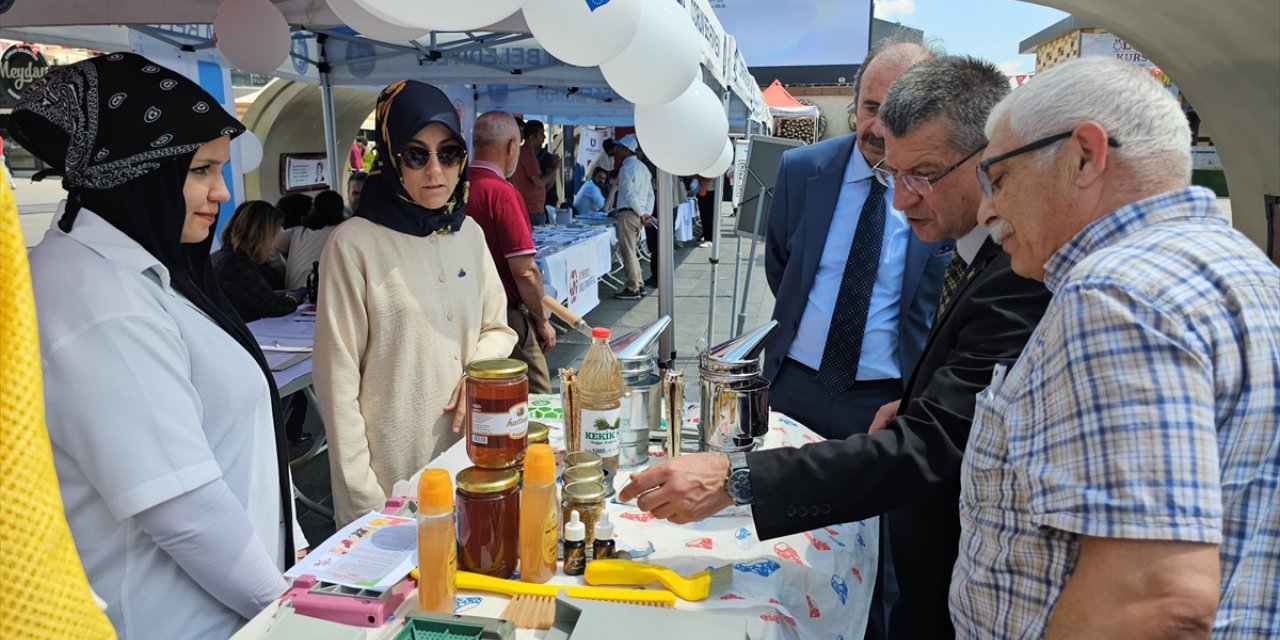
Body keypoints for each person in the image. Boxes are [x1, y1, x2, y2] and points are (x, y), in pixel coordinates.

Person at [620, 56, 1052, 640]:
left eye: (920, 175)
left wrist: (736, 477)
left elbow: (930, 447)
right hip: (806, 388)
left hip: (930, 502)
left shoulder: (1023, 264)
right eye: (893, 172)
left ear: (988, 156)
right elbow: (784, 267)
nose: (900, 200)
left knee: (887, 570)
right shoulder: (814, 174)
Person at [953, 57, 1280, 637]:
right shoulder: (1243, 269)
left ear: (1084, 155)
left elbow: (1155, 599)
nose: (987, 210)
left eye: (997, 178)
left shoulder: (1114, 292)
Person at [13, 52, 299, 639]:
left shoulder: (144, 271)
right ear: (135, 170)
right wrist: (293, 610)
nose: (222, 192)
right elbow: (182, 508)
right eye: (201, 170)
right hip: (181, 622)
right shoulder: (96, 299)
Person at [314, 80, 517, 527]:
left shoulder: (469, 234)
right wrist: (363, 500)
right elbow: (336, 380)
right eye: (415, 154)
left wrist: (477, 371)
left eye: (448, 153)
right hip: (392, 478)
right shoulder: (354, 245)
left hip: (469, 461)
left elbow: (498, 328)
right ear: (389, 156)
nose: (435, 171)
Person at [763, 40, 950, 440]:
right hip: (793, 386)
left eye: (901, 112)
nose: (880, 128)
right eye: (871, 108)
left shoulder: (947, 186)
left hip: (887, 400)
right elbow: (781, 266)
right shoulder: (800, 170)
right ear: (855, 103)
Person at [465, 110, 557, 393]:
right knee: (537, 394)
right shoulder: (501, 192)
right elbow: (524, 270)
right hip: (506, 314)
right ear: (510, 147)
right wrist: (541, 320)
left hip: (465, 311)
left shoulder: (454, 188)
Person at [212, 200, 303, 322]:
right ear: (263, 234)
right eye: (274, 234)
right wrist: (294, 298)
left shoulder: (222, 257)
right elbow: (272, 306)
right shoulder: (235, 263)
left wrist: (276, 294)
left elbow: (250, 296)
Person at [275, 189, 344, 290]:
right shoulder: (343, 232)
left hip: (293, 293)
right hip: (323, 295)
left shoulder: (297, 232)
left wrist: (279, 267)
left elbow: (268, 243)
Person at [612, 134, 652, 300]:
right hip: (638, 214)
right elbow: (651, 194)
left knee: (628, 252)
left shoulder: (626, 168)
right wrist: (645, 212)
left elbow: (629, 193)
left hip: (630, 213)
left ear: (625, 149)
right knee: (632, 251)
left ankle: (632, 287)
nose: (616, 150)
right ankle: (638, 284)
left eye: (619, 147)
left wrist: (642, 212)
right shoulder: (643, 168)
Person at [510, 119, 560, 226]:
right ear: (532, 138)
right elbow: (539, 182)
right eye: (541, 134)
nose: (544, 138)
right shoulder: (527, 155)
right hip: (531, 209)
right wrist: (555, 168)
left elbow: (542, 186)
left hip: (531, 207)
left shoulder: (524, 154)